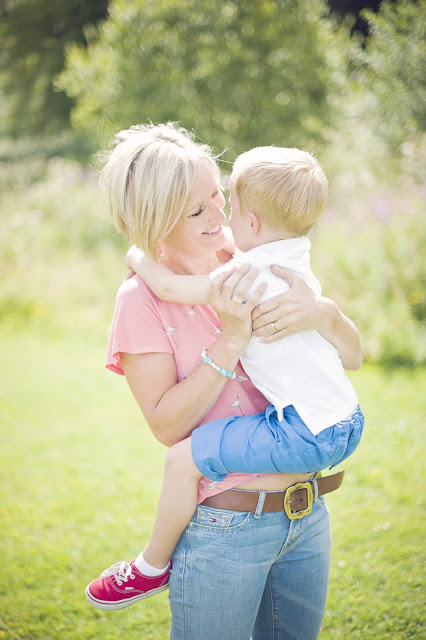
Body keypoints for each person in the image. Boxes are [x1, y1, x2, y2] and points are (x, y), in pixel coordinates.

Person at [86, 123, 363, 640]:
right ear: (155, 219)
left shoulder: (252, 251)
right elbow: (167, 427)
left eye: (218, 194)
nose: (219, 215)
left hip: (306, 512)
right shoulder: (140, 300)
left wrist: (325, 314)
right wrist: (230, 339)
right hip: (226, 530)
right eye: (198, 210)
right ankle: (152, 566)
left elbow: (353, 356)